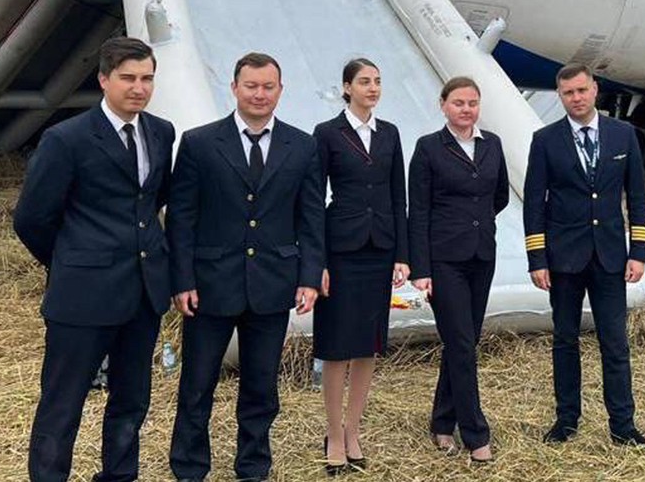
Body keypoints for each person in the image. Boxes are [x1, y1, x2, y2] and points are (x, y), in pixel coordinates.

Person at [13, 37, 175, 481]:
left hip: (143, 294)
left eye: (146, 78)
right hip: (82, 297)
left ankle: (119, 476)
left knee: (131, 402)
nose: (138, 87)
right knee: (63, 404)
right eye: (128, 78)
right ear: (104, 79)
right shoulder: (66, 139)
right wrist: (71, 261)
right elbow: (32, 218)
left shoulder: (161, 133)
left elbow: (151, 201)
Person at [166, 52, 325, 482]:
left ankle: (253, 466)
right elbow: (182, 217)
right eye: (251, 86)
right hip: (209, 286)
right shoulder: (199, 143)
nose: (259, 94)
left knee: (261, 387)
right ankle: (189, 467)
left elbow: (311, 218)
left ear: (280, 90)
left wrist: (310, 276)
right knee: (197, 385)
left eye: (268, 86)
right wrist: (181, 279)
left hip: (272, 285)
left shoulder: (303, 145)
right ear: (234, 88)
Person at [522, 63, 645, 452]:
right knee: (565, 341)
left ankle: (623, 426)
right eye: (568, 93)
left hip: (611, 257)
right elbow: (534, 203)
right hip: (563, 259)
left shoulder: (624, 135)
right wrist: (537, 259)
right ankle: (566, 421)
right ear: (560, 96)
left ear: (595, 89)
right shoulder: (545, 140)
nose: (576, 98)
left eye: (582, 90)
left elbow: (636, 197)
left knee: (615, 343)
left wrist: (640, 251)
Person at [312, 58, 409, 473]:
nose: (373, 88)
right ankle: (333, 431)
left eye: (378, 82)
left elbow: (397, 196)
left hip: (380, 248)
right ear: (346, 88)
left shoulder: (389, 134)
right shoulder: (327, 134)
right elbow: (314, 200)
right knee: (337, 346)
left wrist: (403, 254)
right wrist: (316, 261)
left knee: (369, 343)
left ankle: (353, 428)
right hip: (341, 248)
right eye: (364, 82)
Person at [408, 77, 509, 463]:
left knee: (463, 342)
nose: (466, 109)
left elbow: (498, 195)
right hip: (443, 260)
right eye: (458, 103)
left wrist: (475, 223)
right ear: (443, 105)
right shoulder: (429, 148)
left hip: (481, 256)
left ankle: (441, 421)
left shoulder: (492, 144)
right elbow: (417, 211)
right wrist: (421, 267)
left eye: (472, 103)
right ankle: (475, 434)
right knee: (463, 344)